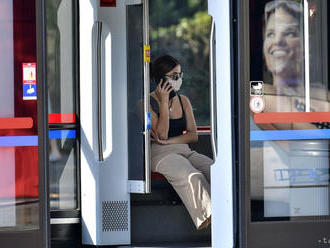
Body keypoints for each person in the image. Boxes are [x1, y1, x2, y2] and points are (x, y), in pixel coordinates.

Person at [149, 55, 212, 230]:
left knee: (214, 170)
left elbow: (193, 135)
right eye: (174, 76)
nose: (179, 80)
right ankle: (217, 221)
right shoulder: (145, 103)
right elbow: (160, 133)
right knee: (194, 176)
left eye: (180, 75)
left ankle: (230, 214)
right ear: (161, 79)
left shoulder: (184, 101)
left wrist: (169, 142)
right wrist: (163, 103)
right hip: (160, 154)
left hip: (183, 150)